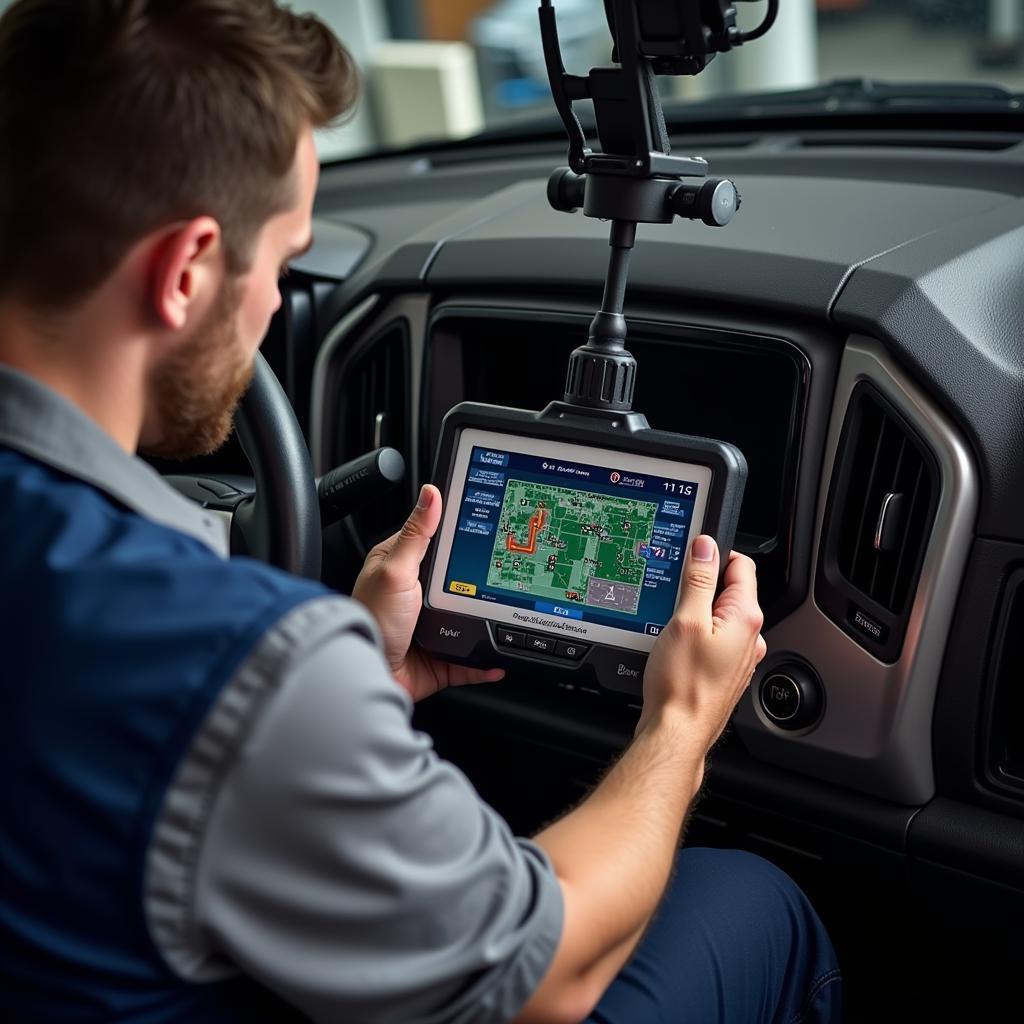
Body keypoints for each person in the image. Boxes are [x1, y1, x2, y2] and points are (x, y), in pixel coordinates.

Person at [0, 2, 842, 1022]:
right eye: (282, 260)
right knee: (758, 900)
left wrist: (358, 669)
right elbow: (551, 973)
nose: (273, 304)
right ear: (185, 271)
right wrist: (680, 721)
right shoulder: (228, 659)